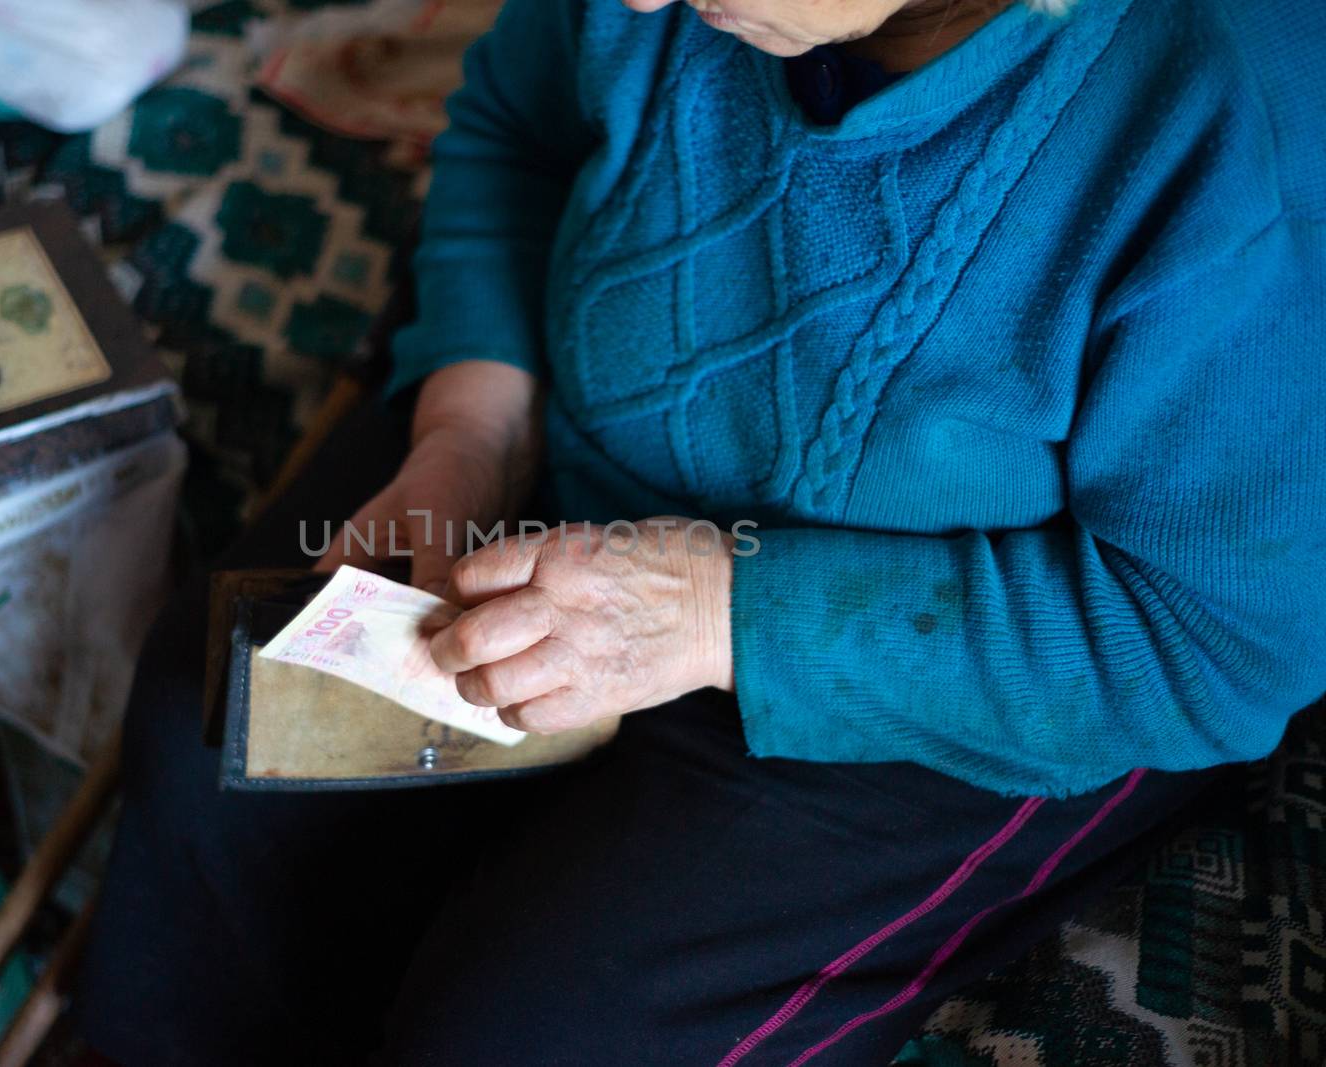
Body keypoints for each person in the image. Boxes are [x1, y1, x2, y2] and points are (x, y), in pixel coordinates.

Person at [76, 0, 1326, 1063]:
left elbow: (1208, 637)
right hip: (566, 476)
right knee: (220, 716)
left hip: (968, 659)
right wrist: (467, 431)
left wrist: (711, 612)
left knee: (540, 1027)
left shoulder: (1231, 122)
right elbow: (516, 127)